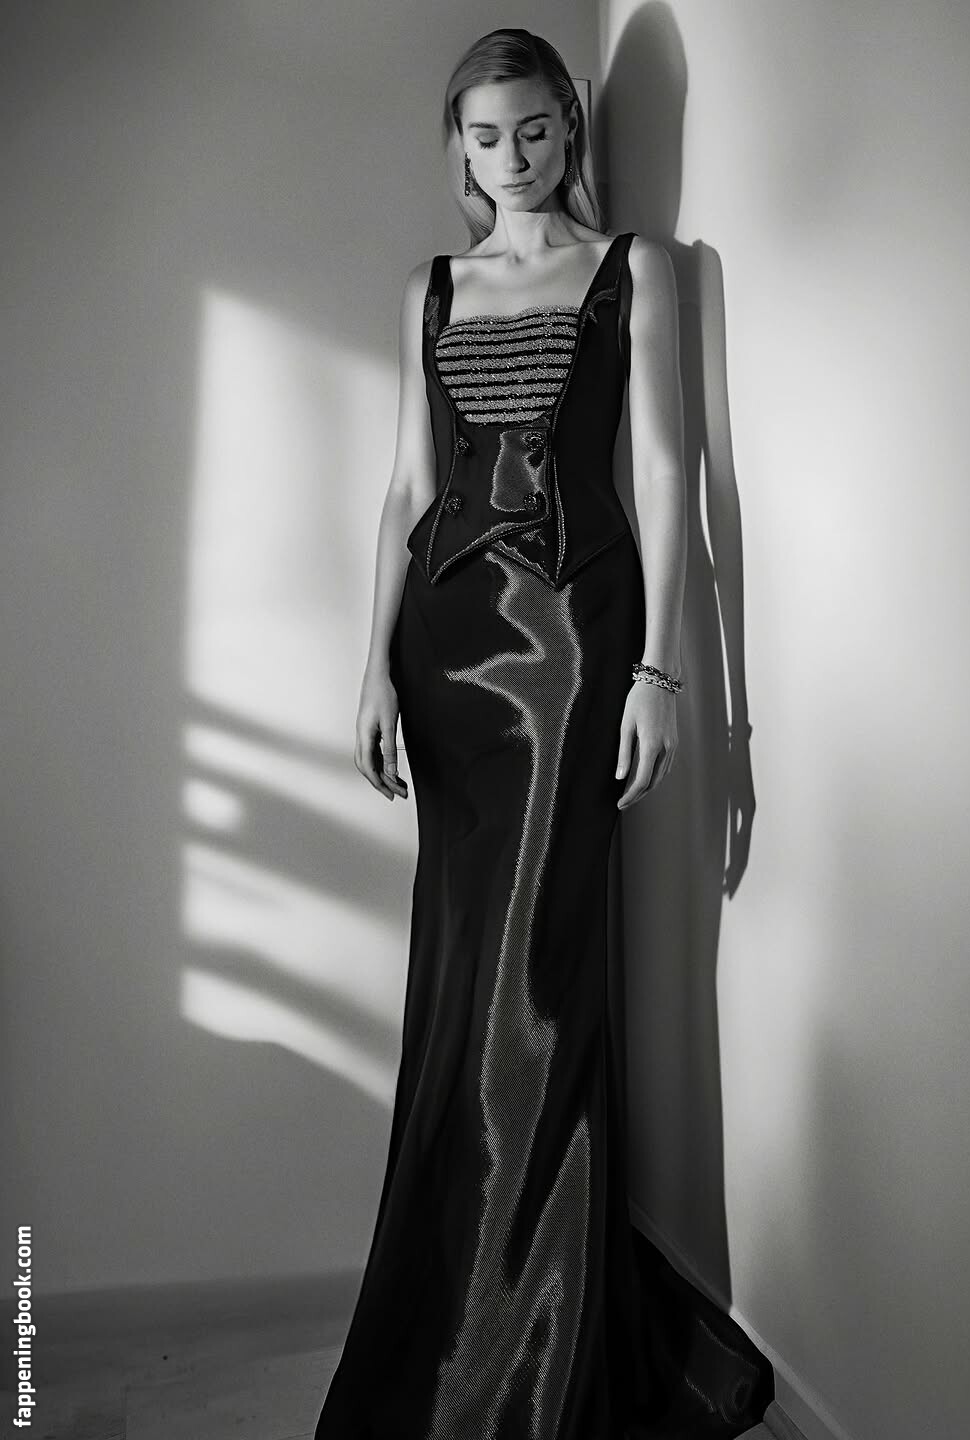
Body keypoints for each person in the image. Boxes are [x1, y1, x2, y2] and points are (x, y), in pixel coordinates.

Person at [313, 26, 772, 1440]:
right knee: (464, 977)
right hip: (448, 655)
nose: (511, 157)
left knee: (544, 980)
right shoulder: (431, 287)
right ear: (456, 147)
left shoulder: (641, 270)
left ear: (571, 127)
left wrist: (668, 678)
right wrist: (372, 669)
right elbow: (407, 491)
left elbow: (676, 480)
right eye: (484, 135)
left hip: (575, 648)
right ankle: (460, 1312)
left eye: (534, 129)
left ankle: (544, 1346)